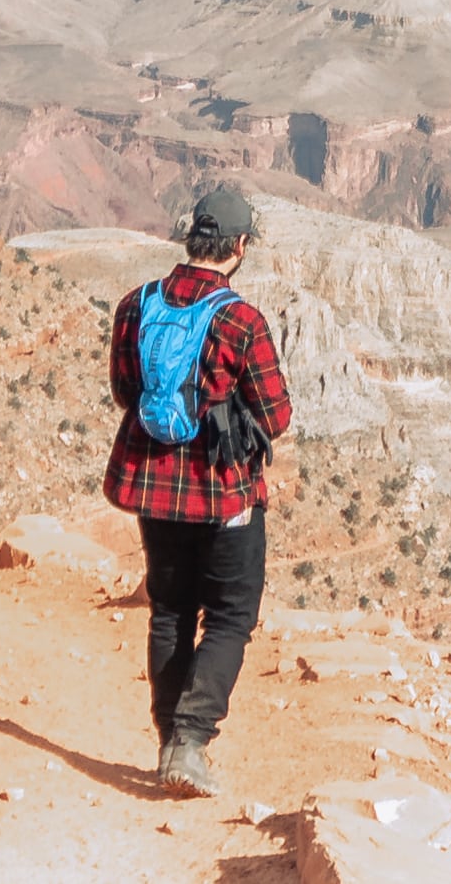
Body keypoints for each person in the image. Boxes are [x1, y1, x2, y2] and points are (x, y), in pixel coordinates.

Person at [103, 185, 292, 798]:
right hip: (224, 494)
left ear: (191, 239)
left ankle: (167, 740)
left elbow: (125, 391)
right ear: (239, 247)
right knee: (233, 616)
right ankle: (192, 739)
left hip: (154, 488)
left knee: (171, 610)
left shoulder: (136, 305)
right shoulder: (241, 320)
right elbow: (277, 413)